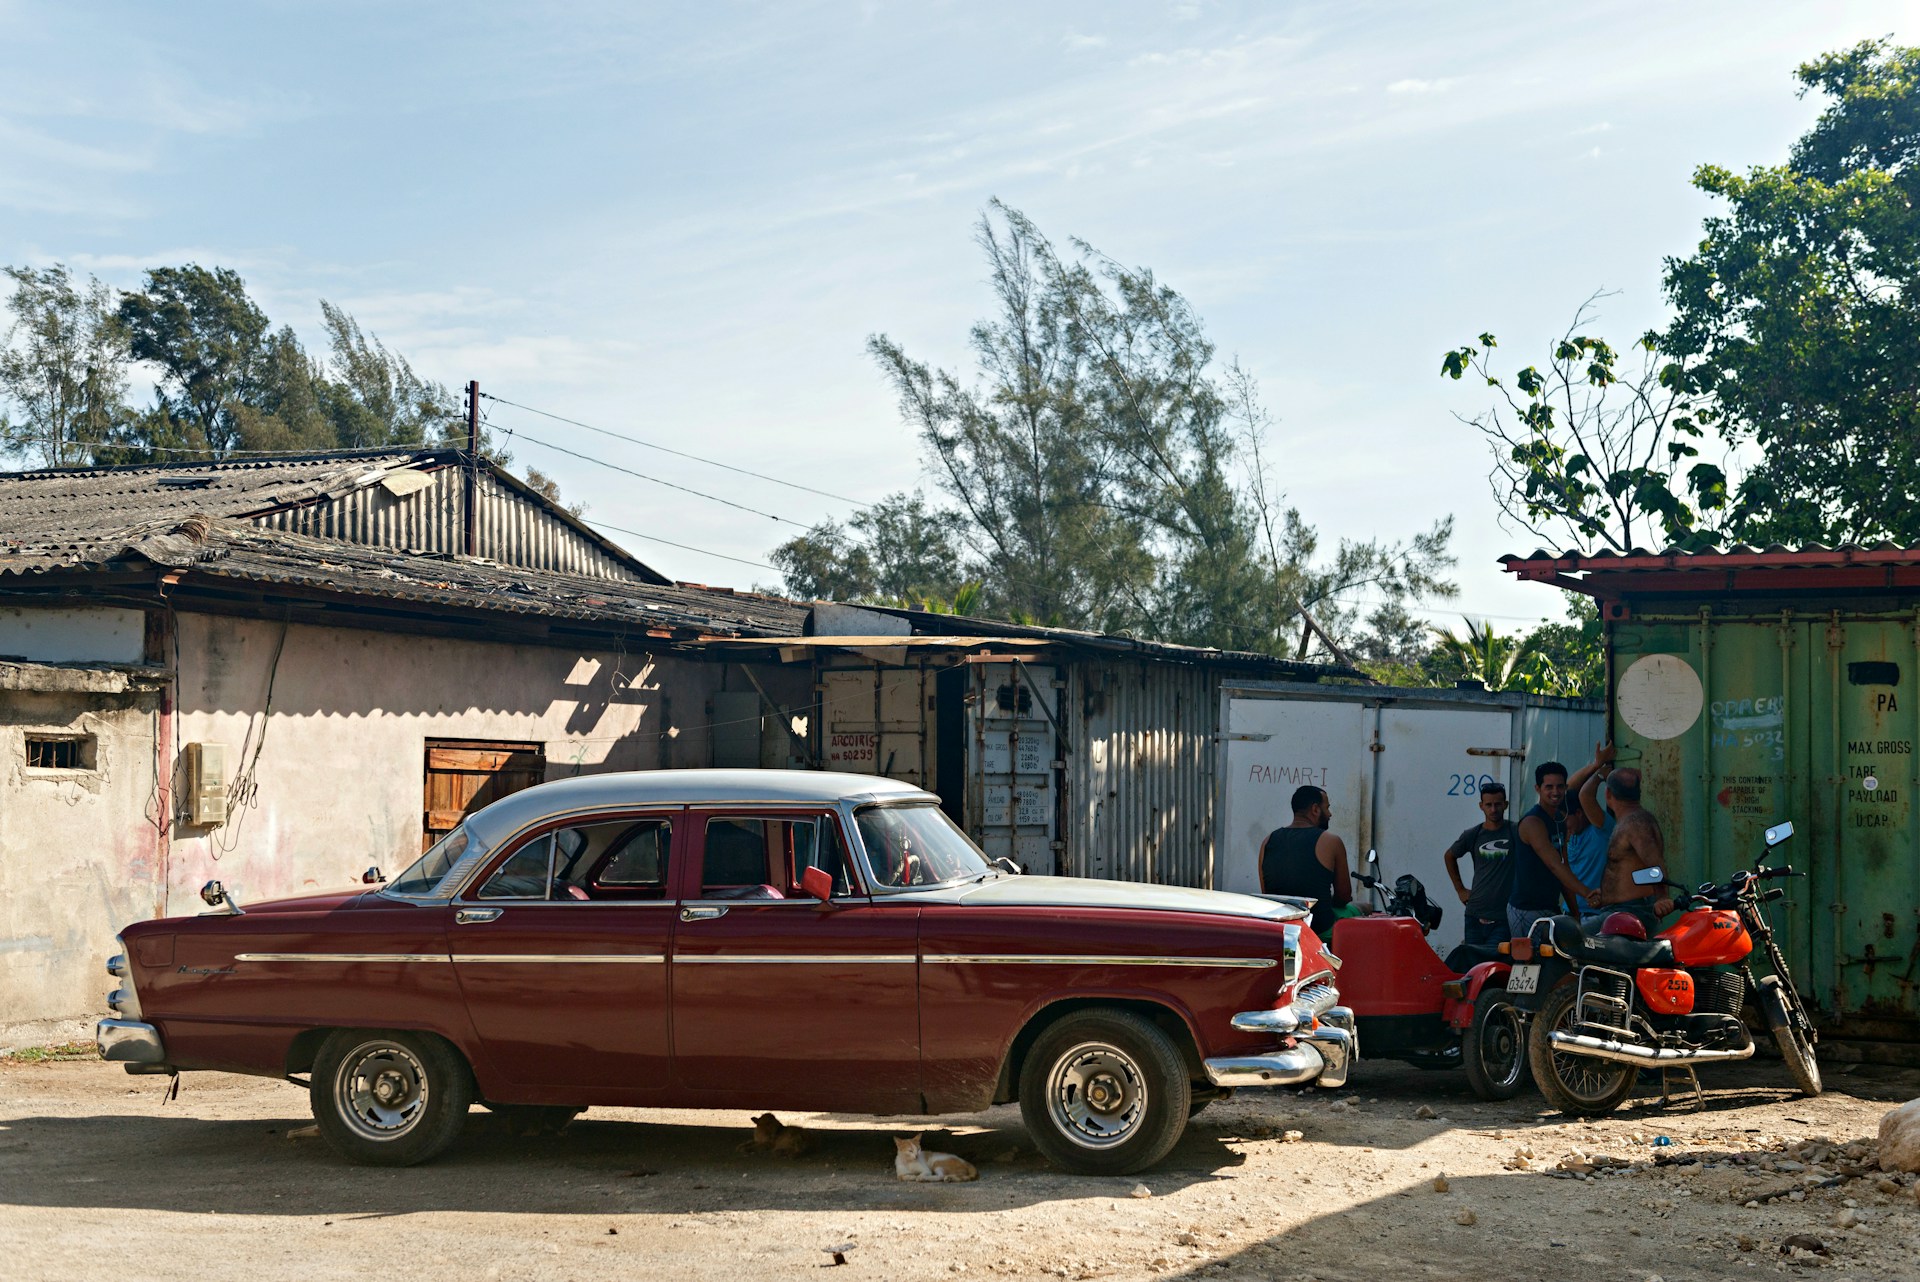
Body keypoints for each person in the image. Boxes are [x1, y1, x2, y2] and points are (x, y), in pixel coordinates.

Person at [1508, 761, 1599, 942]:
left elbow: (1564, 868)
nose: (1555, 792)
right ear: (1537, 788)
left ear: (1565, 787)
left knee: (1558, 964)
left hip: (1550, 908)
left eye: (1559, 786)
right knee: (1532, 966)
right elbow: (1554, 865)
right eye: (1548, 787)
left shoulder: (1559, 820)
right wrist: (1587, 893)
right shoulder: (1533, 822)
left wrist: (1575, 914)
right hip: (1527, 910)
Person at [1582, 767, 1675, 936]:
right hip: (1620, 910)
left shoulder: (1635, 823)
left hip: (1630, 914)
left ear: (1608, 794)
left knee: (1568, 939)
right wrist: (1609, 892)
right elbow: (1639, 872)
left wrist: (1662, 897)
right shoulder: (1629, 821)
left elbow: (1655, 866)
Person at [1260, 785, 1353, 936]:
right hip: (1319, 927)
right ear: (1315, 809)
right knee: (1364, 908)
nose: (1330, 814)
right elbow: (1344, 896)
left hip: (1281, 927)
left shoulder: (1267, 841)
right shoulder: (1331, 841)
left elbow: (1267, 893)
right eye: (1327, 808)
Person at [1442, 780, 1518, 948]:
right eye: (1488, 804)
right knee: (1472, 965)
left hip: (1503, 916)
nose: (1493, 809)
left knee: (1494, 964)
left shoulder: (1515, 832)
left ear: (1505, 805)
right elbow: (1449, 856)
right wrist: (1460, 890)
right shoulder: (1473, 834)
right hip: (1474, 914)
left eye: (1498, 804)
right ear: (1481, 806)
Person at [1566, 742, 1617, 915]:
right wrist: (1596, 765)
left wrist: (1600, 776)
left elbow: (1585, 795)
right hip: (1570, 913)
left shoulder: (1601, 829)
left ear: (1579, 813)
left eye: (1566, 819)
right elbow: (1569, 790)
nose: (1563, 824)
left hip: (1595, 915)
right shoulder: (1570, 834)